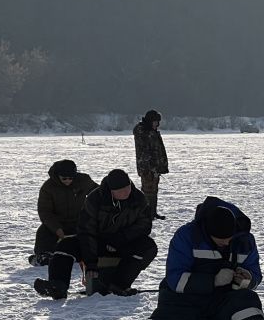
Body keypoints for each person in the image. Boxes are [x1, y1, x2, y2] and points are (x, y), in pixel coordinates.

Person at [77, 197, 264, 320]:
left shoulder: (245, 240)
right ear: (207, 230)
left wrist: (248, 279)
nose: (225, 243)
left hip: (223, 300)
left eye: (229, 239)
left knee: (249, 303)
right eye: (220, 239)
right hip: (182, 301)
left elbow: (255, 273)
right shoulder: (186, 236)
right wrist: (211, 280)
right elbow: (175, 279)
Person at [33, 169, 156, 299]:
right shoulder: (95, 199)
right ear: (111, 190)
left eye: (127, 188)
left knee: (148, 247)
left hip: (123, 242)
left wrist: (120, 238)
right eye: (120, 190)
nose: (125, 192)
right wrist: (91, 264)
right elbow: (86, 231)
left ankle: (120, 284)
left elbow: (144, 226)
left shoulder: (139, 199)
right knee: (65, 246)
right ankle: (58, 285)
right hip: (96, 242)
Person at [30, 160, 97, 267]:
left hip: (79, 221)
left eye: (71, 178)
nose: (67, 181)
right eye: (64, 178)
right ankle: (43, 256)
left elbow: (98, 193)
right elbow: (45, 212)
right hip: (57, 222)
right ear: (58, 176)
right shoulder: (48, 187)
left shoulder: (83, 181)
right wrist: (56, 229)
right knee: (44, 231)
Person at [133, 109, 168, 219]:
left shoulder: (153, 132)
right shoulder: (142, 132)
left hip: (155, 168)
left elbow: (158, 149)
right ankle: (146, 213)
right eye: (155, 121)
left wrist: (160, 166)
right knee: (148, 191)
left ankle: (153, 212)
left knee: (154, 190)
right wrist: (151, 166)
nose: (157, 124)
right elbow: (145, 151)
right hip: (147, 168)